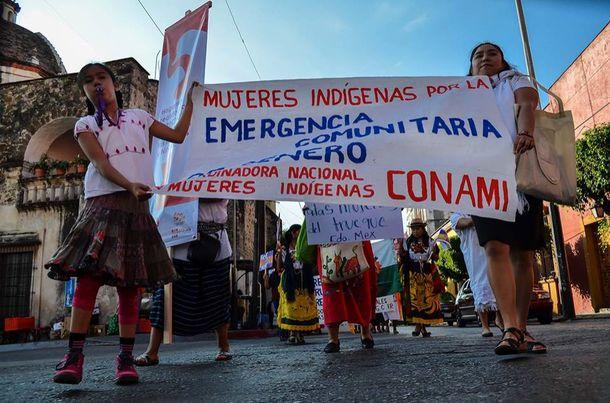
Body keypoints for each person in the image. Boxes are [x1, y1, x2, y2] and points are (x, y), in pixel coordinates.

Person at [45, 63, 197, 385]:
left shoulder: (139, 118)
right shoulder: (86, 125)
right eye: (88, 81)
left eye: (101, 78)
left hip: (136, 208)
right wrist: (129, 184)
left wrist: (190, 106)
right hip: (103, 204)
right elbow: (100, 164)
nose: (96, 84)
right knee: (88, 278)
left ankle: (126, 359)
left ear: (114, 84)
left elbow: (178, 136)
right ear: (85, 92)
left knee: (131, 285)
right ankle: (74, 357)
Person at [468, 42, 547, 355]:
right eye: (478, 55)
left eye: (492, 53)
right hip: (482, 176)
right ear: (471, 65)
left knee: (523, 253)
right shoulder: (460, 93)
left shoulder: (516, 80)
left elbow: (527, 104)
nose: (485, 58)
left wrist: (525, 133)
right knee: (495, 246)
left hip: (520, 171)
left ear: (502, 60)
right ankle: (510, 327)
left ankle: (522, 328)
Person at [135, 199, 233, 366]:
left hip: (216, 244)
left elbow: (219, 194)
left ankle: (224, 346)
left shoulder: (222, 174)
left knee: (218, 297)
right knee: (164, 297)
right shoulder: (176, 173)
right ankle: (152, 351)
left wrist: (188, 191)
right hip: (179, 239)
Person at [318, 240, 378, 353]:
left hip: (356, 235)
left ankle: (365, 332)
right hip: (328, 241)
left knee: (362, 288)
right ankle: (333, 338)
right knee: (331, 293)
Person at [450, 213, 502, 337]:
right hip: (474, 257)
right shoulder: (455, 216)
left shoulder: (482, 209)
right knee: (479, 287)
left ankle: (499, 318)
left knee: (497, 284)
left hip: (490, 250)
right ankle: (485, 326)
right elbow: (465, 223)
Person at [273, 224, 320, 344]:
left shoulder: (304, 248)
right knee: (291, 306)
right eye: (299, 231)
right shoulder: (284, 249)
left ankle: (300, 333)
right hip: (289, 281)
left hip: (303, 280)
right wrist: (278, 253)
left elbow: (312, 263)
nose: (301, 233)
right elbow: (279, 267)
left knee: (302, 306)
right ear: (293, 233)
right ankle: (292, 333)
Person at [399, 218, 444, 337]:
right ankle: (419, 326)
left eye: (417, 229)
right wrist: (401, 252)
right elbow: (402, 256)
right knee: (415, 300)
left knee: (426, 299)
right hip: (413, 274)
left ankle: (422, 326)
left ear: (423, 228)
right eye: (413, 229)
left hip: (426, 273)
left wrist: (434, 252)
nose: (415, 231)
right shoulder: (407, 242)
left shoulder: (430, 241)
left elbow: (435, 257)